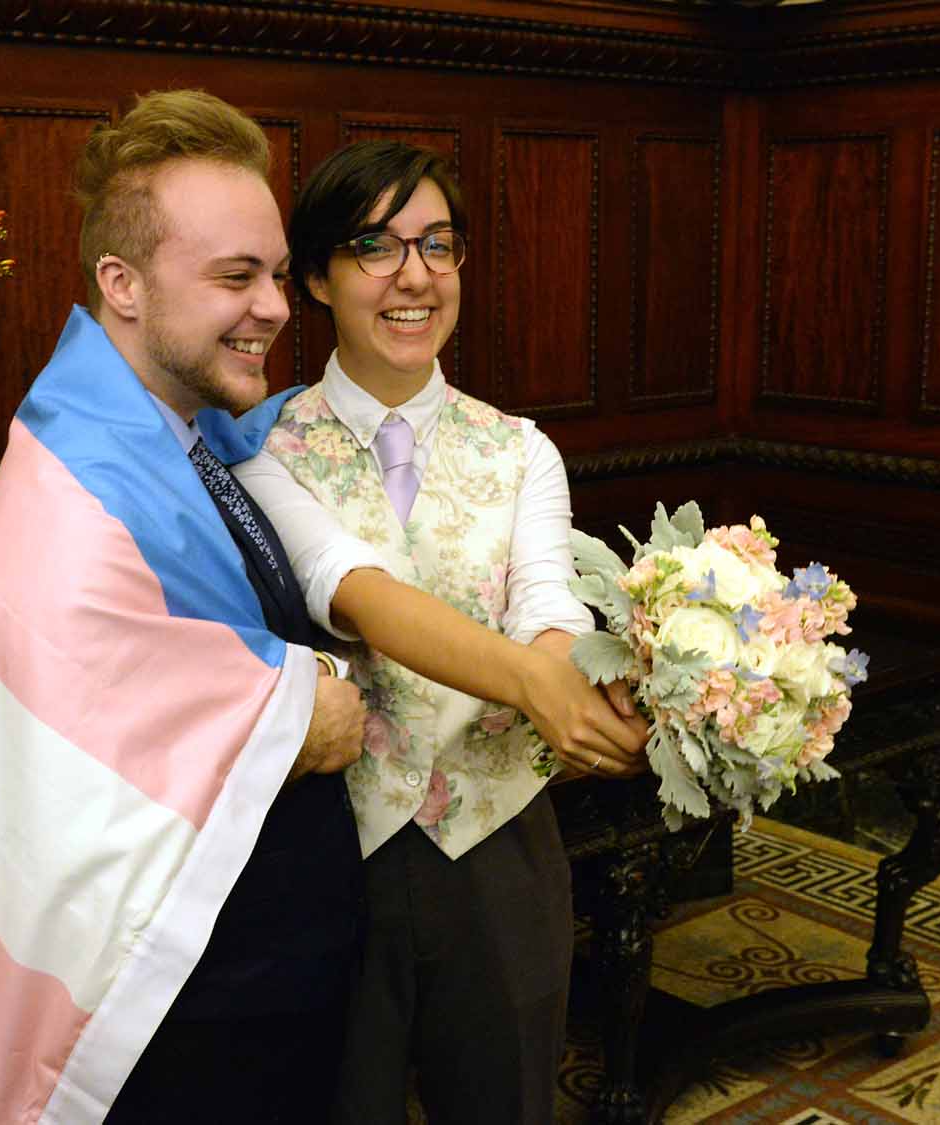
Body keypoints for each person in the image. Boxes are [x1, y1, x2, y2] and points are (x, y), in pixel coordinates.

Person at [0, 90, 366, 1125]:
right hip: (189, 1008)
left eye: (277, 275)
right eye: (236, 276)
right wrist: (305, 703)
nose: (276, 306)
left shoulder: (183, 433)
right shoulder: (73, 481)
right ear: (123, 285)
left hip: (266, 971)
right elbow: (130, 694)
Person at [230, 140, 650, 1124]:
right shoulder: (259, 458)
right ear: (320, 279)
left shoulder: (521, 450)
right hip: (329, 845)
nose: (414, 275)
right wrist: (542, 686)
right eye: (376, 246)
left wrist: (575, 689)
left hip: (500, 839)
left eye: (439, 246)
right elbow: (353, 587)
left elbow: (550, 605)